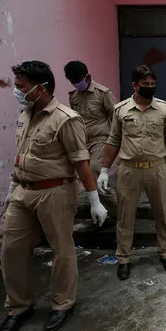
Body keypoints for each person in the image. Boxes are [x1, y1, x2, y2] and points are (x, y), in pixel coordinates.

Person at [0, 61, 107, 331]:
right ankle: (18, 307)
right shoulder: (25, 115)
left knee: (62, 249)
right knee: (11, 250)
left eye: (22, 86)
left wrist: (94, 200)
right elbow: (21, 155)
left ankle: (62, 303)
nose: (17, 91)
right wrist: (12, 188)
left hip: (55, 192)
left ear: (41, 87)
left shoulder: (65, 118)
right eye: (17, 85)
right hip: (23, 191)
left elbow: (81, 162)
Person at [97, 65, 166, 281]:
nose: (150, 88)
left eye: (152, 85)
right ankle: (124, 258)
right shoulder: (121, 110)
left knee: (162, 214)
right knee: (125, 217)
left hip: (157, 168)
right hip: (129, 170)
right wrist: (104, 170)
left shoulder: (164, 109)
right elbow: (113, 141)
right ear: (134, 85)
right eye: (145, 85)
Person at [64, 61, 118, 222]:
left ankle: (119, 213)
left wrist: (114, 141)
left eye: (78, 79)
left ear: (87, 76)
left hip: (101, 139)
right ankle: (102, 211)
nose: (76, 83)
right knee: (83, 175)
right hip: (81, 141)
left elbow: (115, 117)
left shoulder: (103, 93)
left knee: (95, 170)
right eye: (72, 80)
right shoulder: (73, 96)